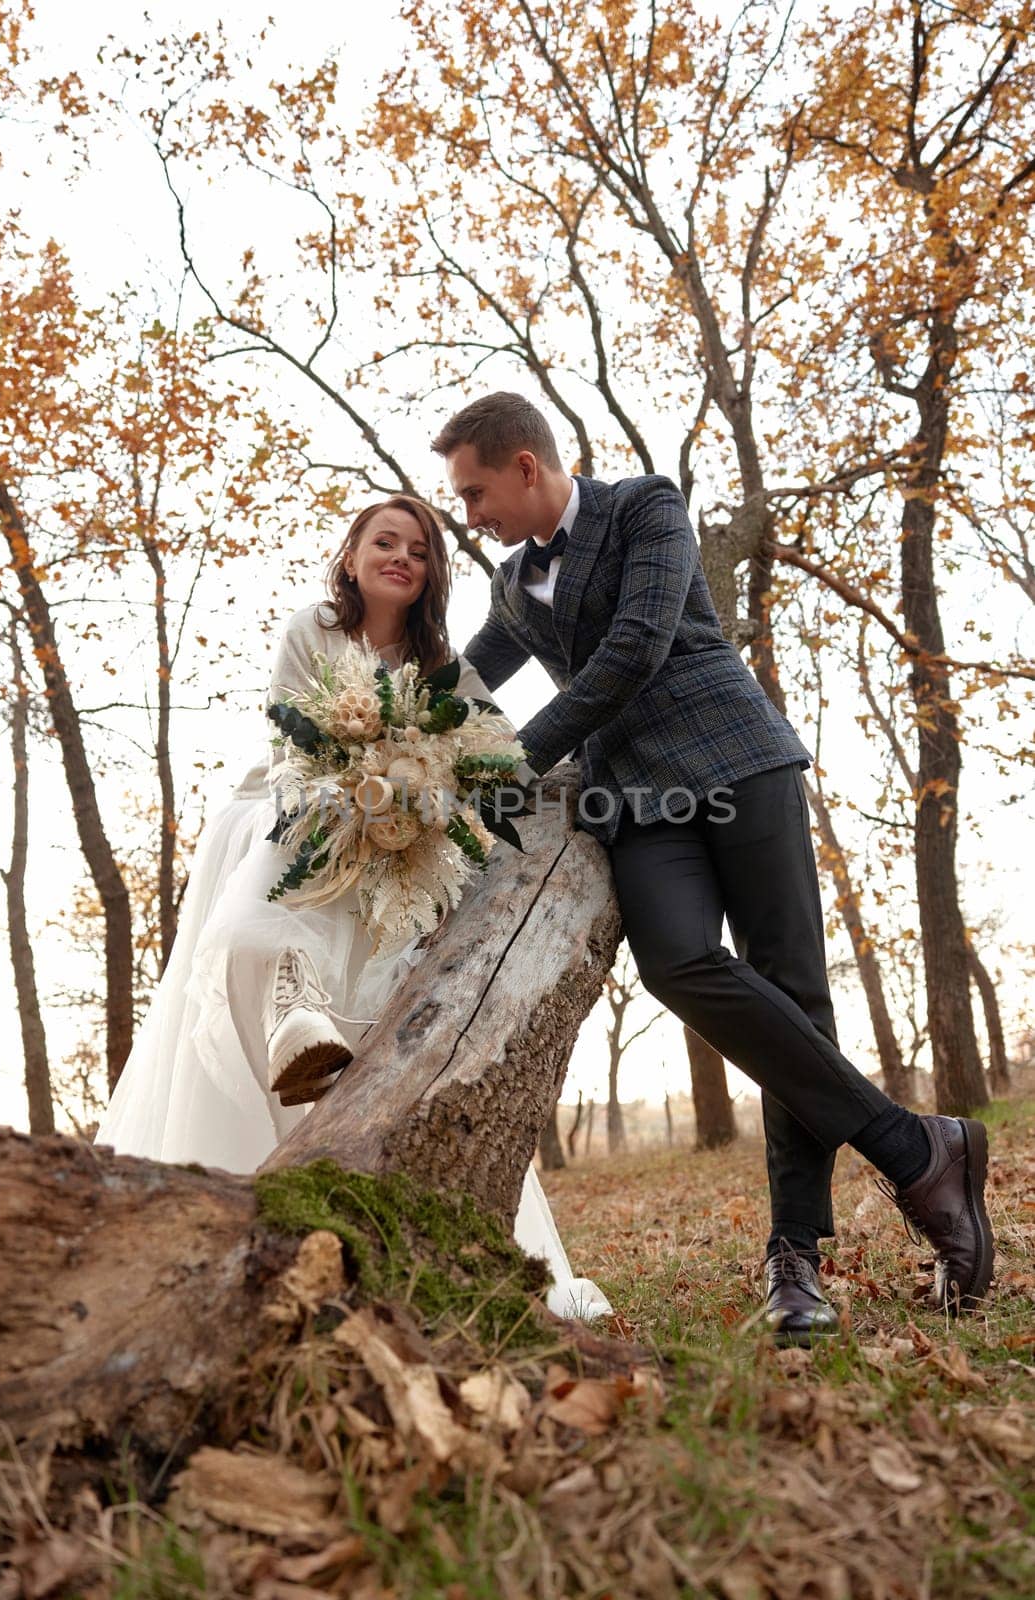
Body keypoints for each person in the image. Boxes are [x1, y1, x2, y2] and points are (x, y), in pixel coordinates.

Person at [432, 391, 993, 1344]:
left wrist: (516, 760)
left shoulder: (644, 507)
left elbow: (635, 648)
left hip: (736, 758)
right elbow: (461, 680)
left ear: (525, 465)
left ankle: (793, 1261)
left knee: (791, 989)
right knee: (677, 962)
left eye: (475, 491)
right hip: (634, 800)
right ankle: (915, 1147)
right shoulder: (505, 586)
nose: (470, 514)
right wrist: (385, 719)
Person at [95, 492, 612, 1323]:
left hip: (399, 841)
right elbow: (290, 739)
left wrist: (438, 797)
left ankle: (368, 1170)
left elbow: (493, 744)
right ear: (352, 555)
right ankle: (292, 1003)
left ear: (430, 573)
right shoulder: (313, 628)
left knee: (380, 969)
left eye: (417, 548)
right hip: (297, 810)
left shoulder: (439, 660)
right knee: (268, 890)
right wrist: (354, 794)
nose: (400, 556)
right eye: (384, 541)